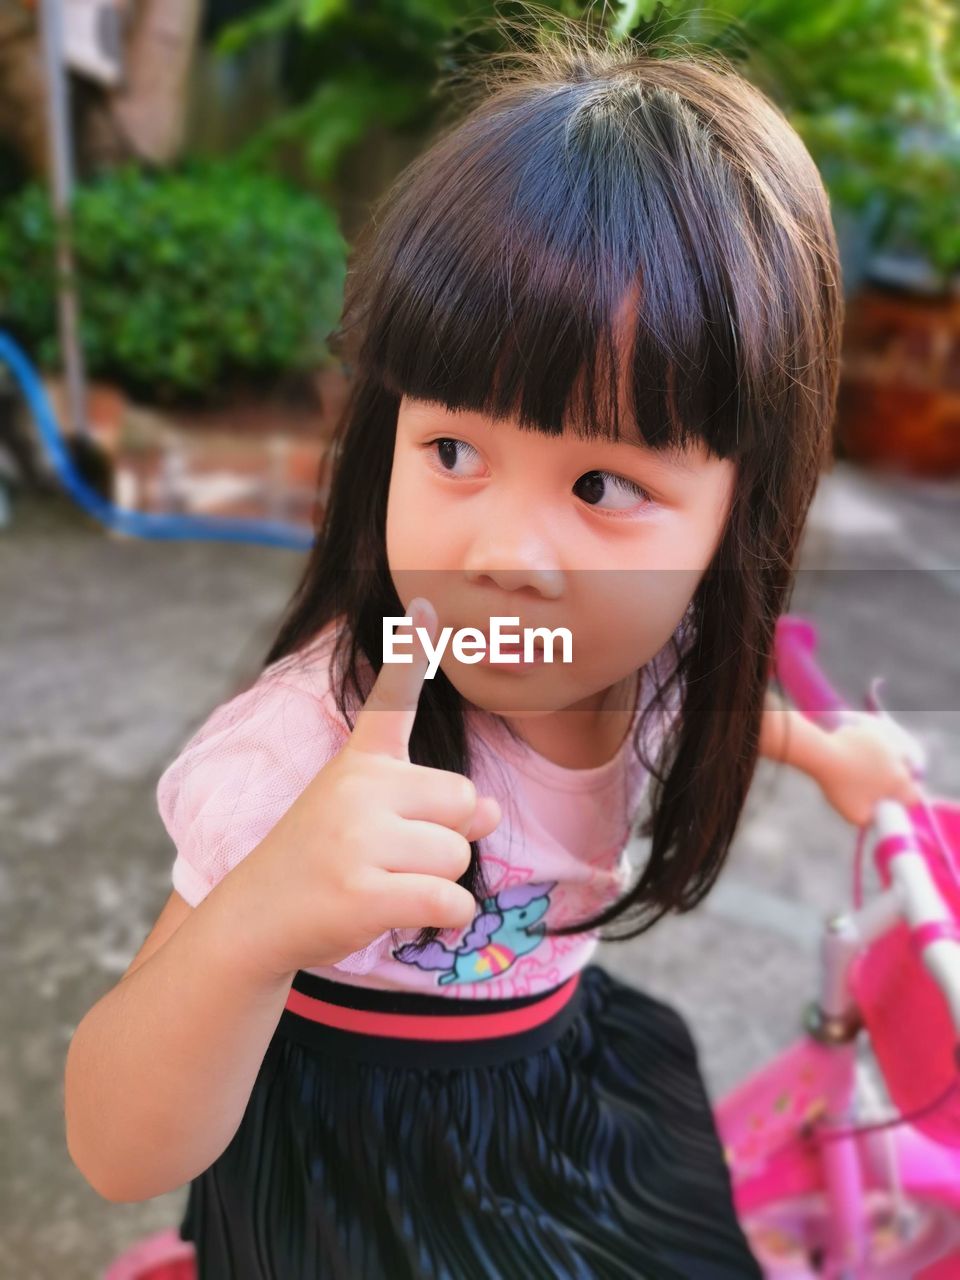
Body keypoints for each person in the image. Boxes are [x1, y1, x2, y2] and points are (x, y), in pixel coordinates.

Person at [64, 13, 924, 1279]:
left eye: (602, 483)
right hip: (359, 1166)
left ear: (738, 511)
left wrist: (821, 752)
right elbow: (112, 1137)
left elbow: (685, 712)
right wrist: (257, 919)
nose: (504, 548)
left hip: (553, 1079)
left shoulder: (651, 651)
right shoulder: (306, 748)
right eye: (455, 451)